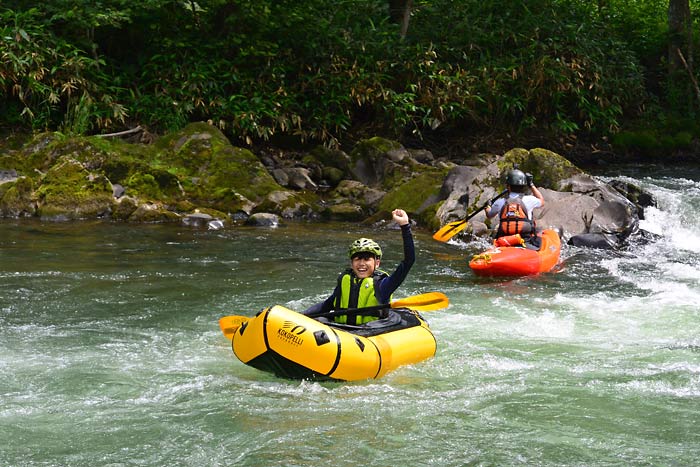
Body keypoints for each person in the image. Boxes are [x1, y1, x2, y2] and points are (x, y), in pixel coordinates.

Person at [302, 209, 414, 324]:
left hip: (370, 334)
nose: (361, 263)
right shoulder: (345, 279)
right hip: (342, 331)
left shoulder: (383, 285)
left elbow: (408, 261)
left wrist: (404, 226)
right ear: (351, 263)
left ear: (377, 263)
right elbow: (327, 305)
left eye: (366, 259)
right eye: (357, 259)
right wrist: (301, 316)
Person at [484, 169, 545, 249]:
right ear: (523, 186)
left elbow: (489, 215)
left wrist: (487, 207)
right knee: (539, 237)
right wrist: (531, 184)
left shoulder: (500, 202)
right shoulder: (529, 200)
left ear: (508, 186)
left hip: (504, 240)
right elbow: (542, 201)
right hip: (525, 240)